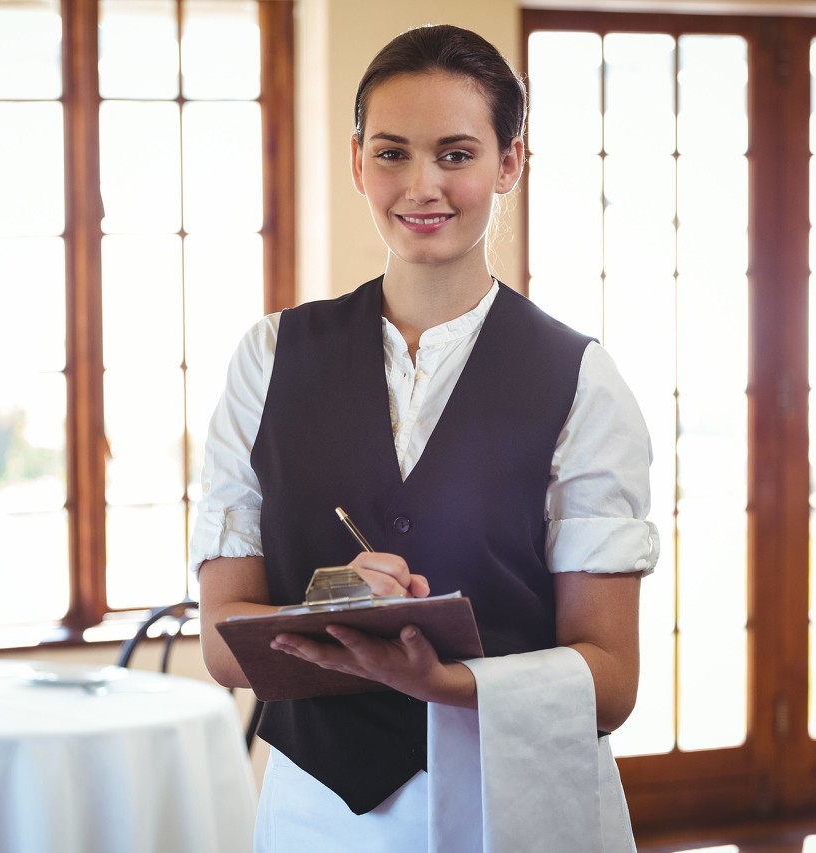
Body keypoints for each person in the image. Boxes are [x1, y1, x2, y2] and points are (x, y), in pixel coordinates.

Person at [192, 23, 659, 853]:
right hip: (321, 817)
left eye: (455, 154)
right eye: (392, 153)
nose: (420, 186)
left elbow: (612, 679)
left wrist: (448, 681)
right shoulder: (269, 358)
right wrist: (332, 603)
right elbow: (225, 644)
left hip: (516, 809)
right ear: (356, 161)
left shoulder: (582, 381)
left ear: (510, 162)